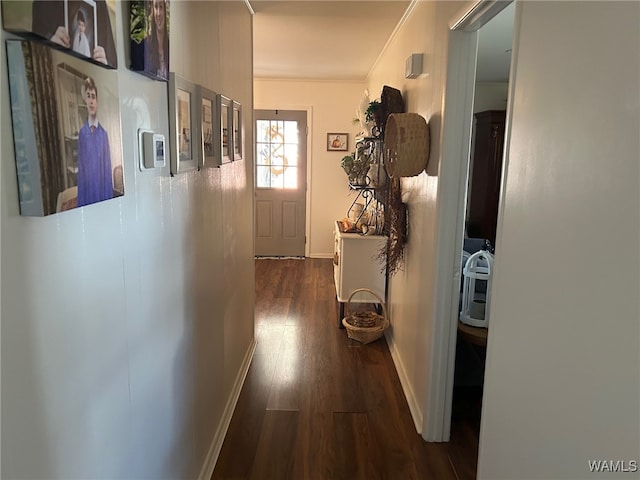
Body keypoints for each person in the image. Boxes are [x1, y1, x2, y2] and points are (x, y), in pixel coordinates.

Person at [31, 0, 118, 68]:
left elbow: (111, 62)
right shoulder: (46, 3)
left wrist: (105, 63)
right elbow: (33, 52)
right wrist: (49, 42)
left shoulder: (99, 3)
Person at [77, 76, 113, 207]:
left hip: (101, 196)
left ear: (97, 102)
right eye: (88, 96)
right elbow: (81, 173)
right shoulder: (82, 134)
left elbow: (107, 174)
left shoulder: (103, 135)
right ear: (85, 100)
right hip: (87, 196)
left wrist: (108, 204)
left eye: (93, 96)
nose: (91, 101)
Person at [144, 0, 169, 80]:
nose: (158, 13)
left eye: (161, 7)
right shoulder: (146, 45)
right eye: (156, 7)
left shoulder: (171, 48)